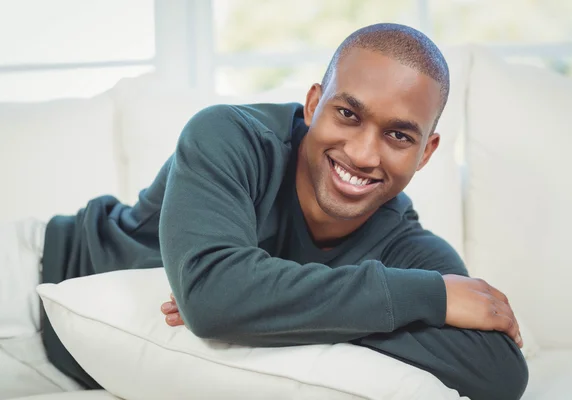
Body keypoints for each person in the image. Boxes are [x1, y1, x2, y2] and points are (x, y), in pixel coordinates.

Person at [0, 23, 528, 400]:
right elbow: (215, 299)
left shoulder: (407, 247)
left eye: (397, 135)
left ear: (426, 152)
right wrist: (422, 298)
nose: (364, 154)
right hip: (28, 284)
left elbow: (501, 374)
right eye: (347, 114)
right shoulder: (230, 136)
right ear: (313, 103)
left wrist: (268, 308)